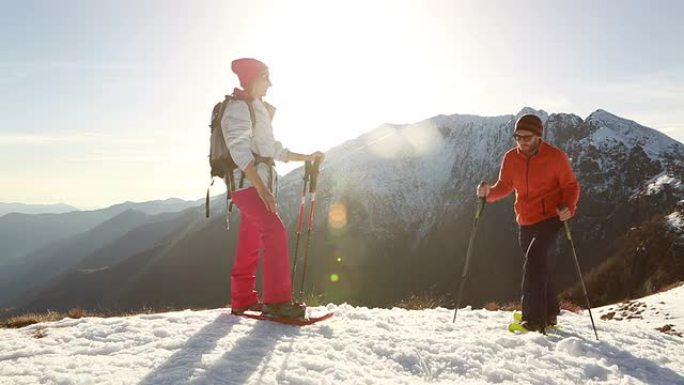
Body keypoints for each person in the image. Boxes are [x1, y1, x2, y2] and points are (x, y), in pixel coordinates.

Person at [222, 58, 324, 319]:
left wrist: (307, 157)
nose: (270, 83)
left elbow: (274, 150)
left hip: (256, 184)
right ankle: (277, 302)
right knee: (274, 230)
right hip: (247, 185)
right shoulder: (237, 108)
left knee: (251, 240)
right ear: (253, 79)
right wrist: (262, 189)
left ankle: (242, 299)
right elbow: (239, 152)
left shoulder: (256, 108)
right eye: (266, 77)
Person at [477, 114, 580, 331]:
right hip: (525, 219)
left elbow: (571, 186)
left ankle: (532, 320)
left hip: (551, 217)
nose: (522, 141)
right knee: (539, 264)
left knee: (534, 260)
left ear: (538, 136)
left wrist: (568, 208)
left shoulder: (555, 157)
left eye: (527, 137)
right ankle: (550, 314)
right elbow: (505, 185)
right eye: (518, 137)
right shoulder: (511, 158)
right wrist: (488, 194)